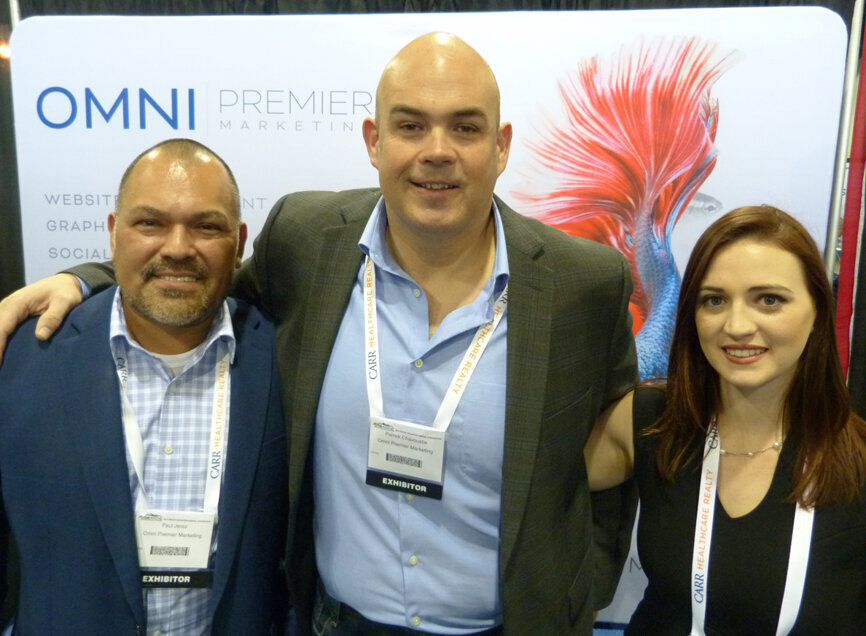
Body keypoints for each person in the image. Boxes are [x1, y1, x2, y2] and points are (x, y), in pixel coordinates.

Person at [0, 34, 637, 634]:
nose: (436, 150)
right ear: (373, 140)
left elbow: (616, 454)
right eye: (410, 125)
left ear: (500, 145)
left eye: (465, 128)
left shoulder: (584, 285)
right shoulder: (308, 238)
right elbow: (194, 271)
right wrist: (87, 279)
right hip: (335, 621)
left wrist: (580, 590)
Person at [0, 139, 288, 635]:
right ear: (114, 233)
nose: (177, 248)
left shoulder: (286, 357)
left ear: (239, 242)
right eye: (150, 223)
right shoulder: (23, 357)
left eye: (206, 226)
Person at [585, 205, 866, 634]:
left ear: (816, 311)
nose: (736, 325)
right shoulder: (651, 421)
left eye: (768, 300)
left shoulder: (858, 460)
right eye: (714, 300)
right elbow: (537, 491)